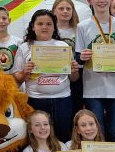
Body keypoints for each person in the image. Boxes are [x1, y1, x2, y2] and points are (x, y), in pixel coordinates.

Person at [76, 0, 115, 142]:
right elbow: (78, 57)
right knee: (96, 132)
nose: (101, 0)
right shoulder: (82, 26)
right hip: (93, 88)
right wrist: (82, 57)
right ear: (89, 0)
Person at [13, 9, 79, 144]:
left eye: (49, 24)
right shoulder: (25, 47)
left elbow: (74, 78)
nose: (44, 27)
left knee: (63, 136)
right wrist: (25, 72)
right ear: (33, 26)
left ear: (54, 27)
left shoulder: (63, 46)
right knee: (39, 139)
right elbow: (17, 79)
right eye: (40, 24)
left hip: (63, 99)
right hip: (36, 100)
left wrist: (74, 71)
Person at [52, 0, 83, 107]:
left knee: (76, 105)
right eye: (61, 9)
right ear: (54, 11)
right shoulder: (50, 30)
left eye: (68, 9)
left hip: (76, 71)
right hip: (56, 71)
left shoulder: (79, 29)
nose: (65, 11)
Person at [0, 6, 22, 78]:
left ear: (9, 20)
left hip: (15, 83)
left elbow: (21, 67)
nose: (1, 21)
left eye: (4, 18)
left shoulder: (19, 42)